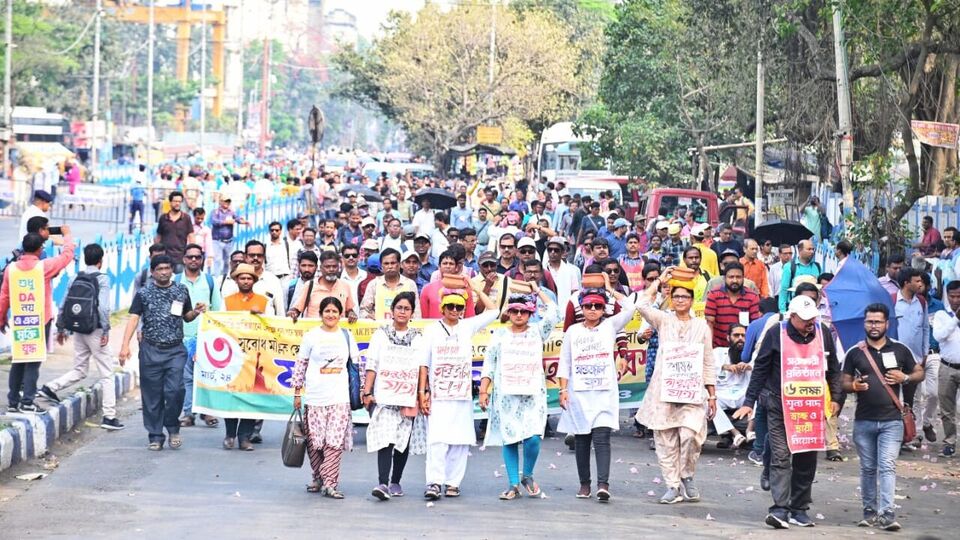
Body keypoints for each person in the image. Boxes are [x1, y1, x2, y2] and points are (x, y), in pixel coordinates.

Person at [733, 295, 843, 529]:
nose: (809, 324)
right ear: (791, 316)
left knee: (806, 459)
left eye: (812, 318)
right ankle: (780, 509)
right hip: (779, 405)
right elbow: (760, 368)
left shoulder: (822, 333)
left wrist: (836, 398)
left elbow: (833, 369)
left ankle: (799, 508)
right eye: (804, 320)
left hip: (811, 407)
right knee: (782, 456)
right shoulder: (776, 333)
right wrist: (749, 401)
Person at [635, 269, 716, 504]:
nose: (680, 300)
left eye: (685, 297)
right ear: (671, 299)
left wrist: (712, 395)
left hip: (692, 392)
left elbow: (708, 360)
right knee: (665, 439)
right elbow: (641, 305)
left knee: (691, 435)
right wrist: (660, 280)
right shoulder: (664, 320)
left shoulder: (701, 326)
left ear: (692, 300)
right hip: (664, 391)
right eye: (677, 296)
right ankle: (672, 485)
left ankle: (687, 475)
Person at [843, 303, 923, 531]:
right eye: (870, 321)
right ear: (864, 323)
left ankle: (887, 514)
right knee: (868, 468)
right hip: (863, 420)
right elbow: (843, 381)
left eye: (878, 321)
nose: (874, 325)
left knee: (887, 466)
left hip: (892, 421)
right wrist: (854, 386)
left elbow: (919, 372)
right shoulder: (855, 352)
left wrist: (904, 377)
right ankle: (869, 512)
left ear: (887, 324)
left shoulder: (900, 349)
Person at [558, 277, 639, 502]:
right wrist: (563, 390)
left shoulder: (610, 326)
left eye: (598, 306)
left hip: (604, 392)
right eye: (588, 306)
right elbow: (565, 362)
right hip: (578, 393)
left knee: (602, 438)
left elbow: (631, 307)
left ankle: (603, 484)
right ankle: (585, 484)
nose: (593, 310)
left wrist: (611, 290)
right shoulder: (572, 331)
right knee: (582, 439)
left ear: (604, 309)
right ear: (581, 308)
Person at [419, 283, 500, 501]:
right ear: (442, 309)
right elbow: (423, 364)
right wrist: (422, 392)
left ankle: (453, 482)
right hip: (438, 394)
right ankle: (434, 482)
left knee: (460, 440)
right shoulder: (432, 330)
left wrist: (474, 288)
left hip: (461, 394)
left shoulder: (467, 327)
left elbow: (494, 311)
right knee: (437, 440)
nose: (455, 310)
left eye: (458, 307)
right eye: (450, 306)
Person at [118, 255, 206, 450]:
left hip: (175, 350)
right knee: (152, 395)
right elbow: (133, 319)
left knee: (176, 391)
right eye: (160, 269)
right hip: (150, 349)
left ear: (172, 271)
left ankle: (173, 428)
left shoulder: (181, 290)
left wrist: (197, 311)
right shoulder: (144, 293)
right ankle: (155, 435)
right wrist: (125, 345)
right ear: (152, 272)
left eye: (167, 268)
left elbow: (187, 316)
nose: (164, 272)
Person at [479, 287, 558, 500]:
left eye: (524, 311)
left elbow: (554, 312)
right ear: (509, 313)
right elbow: (489, 364)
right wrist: (484, 389)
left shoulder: (537, 331)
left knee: (533, 438)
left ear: (530, 313)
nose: (519, 315)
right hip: (507, 396)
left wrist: (537, 291)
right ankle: (513, 483)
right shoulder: (499, 335)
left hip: (532, 395)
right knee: (510, 439)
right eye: (515, 311)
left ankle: (528, 475)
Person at [39, 243, 122, 429]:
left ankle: (50, 388)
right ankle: (109, 417)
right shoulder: (102, 279)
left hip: (78, 329)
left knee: (80, 369)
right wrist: (106, 329)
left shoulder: (75, 277)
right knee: (107, 374)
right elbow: (103, 307)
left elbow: (64, 303)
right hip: (95, 330)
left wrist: (61, 327)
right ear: (101, 261)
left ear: (85, 258)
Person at [362, 292, 428, 501]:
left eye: (406, 308)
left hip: (408, 397)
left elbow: (421, 368)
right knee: (386, 439)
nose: (402, 312)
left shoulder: (418, 338)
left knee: (402, 440)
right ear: (392, 311)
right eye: (399, 308)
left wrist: (421, 393)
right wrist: (367, 391)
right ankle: (382, 482)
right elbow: (371, 364)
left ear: (412, 313)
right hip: (385, 395)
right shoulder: (381, 335)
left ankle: (396, 481)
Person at [1, 230, 75, 413]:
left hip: (20, 319)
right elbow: (67, 256)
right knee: (33, 360)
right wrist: (67, 236)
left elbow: (4, 296)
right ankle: (27, 401)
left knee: (18, 360)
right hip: (40, 319)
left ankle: (13, 402)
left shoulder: (11, 269)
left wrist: (2, 318)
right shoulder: (43, 267)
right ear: (39, 249)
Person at [292, 297, 359, 498]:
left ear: (340, 315)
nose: (331, 315)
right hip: (314, 398)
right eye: (327, 311)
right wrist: (297, 392)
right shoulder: (311, 336)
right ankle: (318, 476)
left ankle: (330, 482)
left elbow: (357, 366)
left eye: (335, 311)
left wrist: (363, 391)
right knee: (315, 443)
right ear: (321, 313)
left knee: (334, 441)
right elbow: (300, 365)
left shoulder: (346, 336)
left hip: (339, 398)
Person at [220, 263, 269, 450]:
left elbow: (272, 325)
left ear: (254, 281)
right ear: (236, 280)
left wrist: (260, 316)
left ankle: (244, 437)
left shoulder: (263, 301)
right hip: (232, 355)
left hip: (255, 356)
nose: (246, 281)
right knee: (231, 395)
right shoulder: (227, 300)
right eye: (242, 278)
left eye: (249, 278)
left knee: (251, 396)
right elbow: (220, 325)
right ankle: (230, 434)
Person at [177, 243, 223, 428]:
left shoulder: (209, 281)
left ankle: (207, 412)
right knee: (186, 377)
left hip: (205, 337)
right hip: (181, 337)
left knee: (207, 376)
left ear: (202, 259)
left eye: (197, 257)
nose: (194, 260)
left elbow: (217, 309)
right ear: (184, 259)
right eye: (190, 257)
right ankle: (188, 413)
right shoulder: (176, 280)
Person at [289, 250, 358, 323]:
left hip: (337, 332)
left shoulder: (345, 286)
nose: (331, 269)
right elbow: (297, 309)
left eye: (334, 266)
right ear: (321, 268)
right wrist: (293, 313)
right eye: (327, 267)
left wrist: (351, 314)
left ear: (339, 267)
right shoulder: (310, 285)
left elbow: (349, 310)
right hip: (313, 331)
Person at [221, 240, 285, 316]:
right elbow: (224, 311)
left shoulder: (273, 280)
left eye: (259, 255)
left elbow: (280, 313)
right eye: (252, 255)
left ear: (264, 257)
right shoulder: (233, 281)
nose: (255, 258)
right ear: (245, 257)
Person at [712, 324, 752, 449]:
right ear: (728, 338)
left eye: (743, 336)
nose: (740, 339)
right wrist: (725, 367)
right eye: (736, 335)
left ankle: (749, 431)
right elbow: (707, 369)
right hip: (723, 394)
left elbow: (760, 370)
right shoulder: (718, 352)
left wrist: (748, 366)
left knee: (761, 395)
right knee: (707, 399)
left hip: (743, 395)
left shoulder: (752, 355)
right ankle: (735, 434)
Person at [704, 263, 761, 348]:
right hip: (719, 347)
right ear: (724, 278)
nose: (735, 280)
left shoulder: (752, 297)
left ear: (743, 278)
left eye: (738, 277)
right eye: (731, 277)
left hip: (743, 347)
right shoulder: (714, 294)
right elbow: (709, 323)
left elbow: (755, 325)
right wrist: (709, 348)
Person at [934, 280, 960, 458]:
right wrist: (956, 318)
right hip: (947, 367)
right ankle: (950, 441)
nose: (956, 300)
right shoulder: (942, 315)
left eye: (959, 296)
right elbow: (939, 336)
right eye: (952, 296)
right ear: (947, 296)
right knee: (946, 408)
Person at [359, 248, 418, 320]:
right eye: (386, 263)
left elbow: (416, 313)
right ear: (381, 266)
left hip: (404, 329)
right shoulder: (374, 284)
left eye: (393, 263)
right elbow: (364, 310)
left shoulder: (410, 284)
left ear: (399, 265)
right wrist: (369, 318)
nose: (390, 266)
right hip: (379, 329)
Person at [155, 191, 195, 271]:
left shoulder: (186, 218)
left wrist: (192, 252)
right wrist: (156, 252)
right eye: (175, 201)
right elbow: (158, 237)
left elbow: (191, 236)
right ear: (170, 202)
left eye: (179, 201)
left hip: (180, 257)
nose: (177, 203)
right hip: (165, 257)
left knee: (178, 281)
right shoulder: (163, 218)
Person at [210, 194, 248, 276]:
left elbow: (237, 218)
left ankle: (225, 275)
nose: (227, 203)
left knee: (227, 260)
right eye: (225, 201)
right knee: (217, 260)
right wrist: (225, 222)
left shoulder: (231, 212)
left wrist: (243, 222)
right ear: (221, 202)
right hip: (217, 240)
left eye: (228, 201)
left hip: (229, 241)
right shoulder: (215, 212)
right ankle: (217, 278)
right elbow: (214, 221)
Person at [777, 240, 820, 312]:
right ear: (800, 250)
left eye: (813, 249)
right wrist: (782, 311)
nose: (812, 252)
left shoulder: (817, 266)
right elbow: (784, 290)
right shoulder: (789, 267)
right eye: (809, 249)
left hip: (812, 308)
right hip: (794, 308)